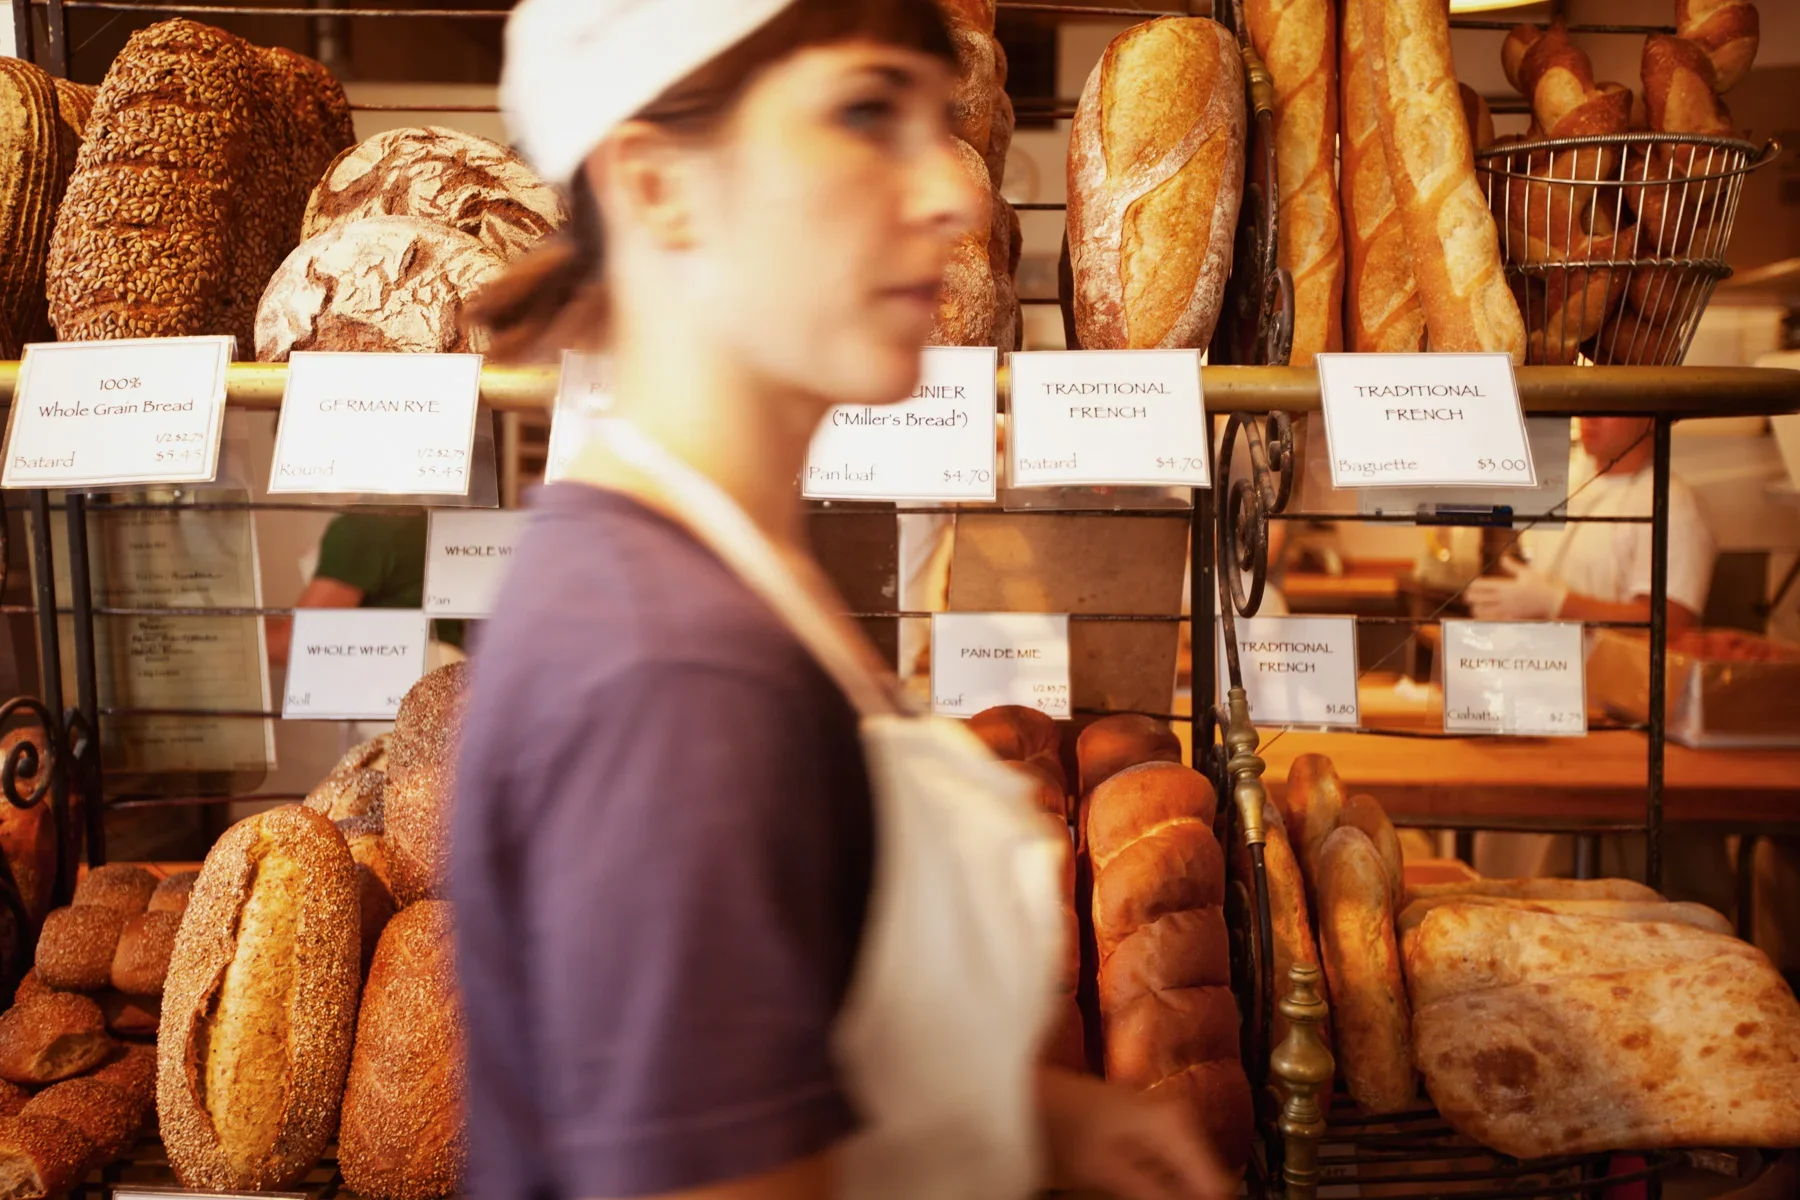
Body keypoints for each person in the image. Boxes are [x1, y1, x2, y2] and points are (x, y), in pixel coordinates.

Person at [451, 4, 1231, 1200]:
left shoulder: (713, 575)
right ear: (658, 186)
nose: (955, 199)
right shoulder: (669, 676)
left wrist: (1042, 1125)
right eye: (866, 114)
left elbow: (796, 1034)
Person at [1465, 416, 1716, 631]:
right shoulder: (1569, 479)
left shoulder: (1672, 505)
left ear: (1649, 418)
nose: (1590, 418)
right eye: (1589, 403)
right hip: (1546, 668)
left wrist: (1558, 604)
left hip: (1612, 682)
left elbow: (1673, 623)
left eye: (1610, 408)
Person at [265, 511, 464, 666]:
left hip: (397, 693)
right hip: (442, 689)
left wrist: (236, 642)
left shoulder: (364, 527)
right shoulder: (416, 517)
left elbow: (298, 645)